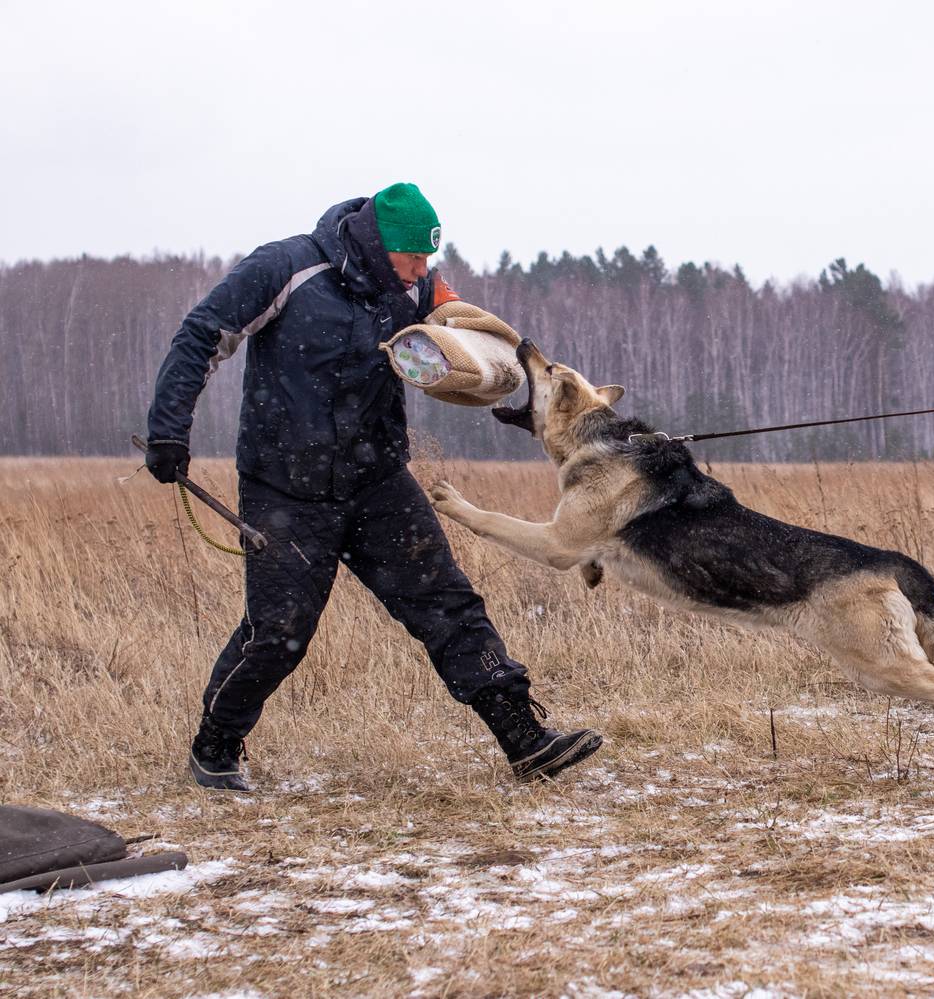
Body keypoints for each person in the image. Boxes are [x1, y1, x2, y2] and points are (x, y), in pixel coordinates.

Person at [144, 183, 602, 791]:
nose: (423, 270)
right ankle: (216, 746)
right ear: (379, 244)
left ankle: (524, 738)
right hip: (285, 487)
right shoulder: (287, 266)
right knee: (279, 632)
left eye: (429, 258)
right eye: (414, 257)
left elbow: (470, 336)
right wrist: (168, 429)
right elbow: (204, 332)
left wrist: (511, 383)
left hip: (377, 479)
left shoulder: (417, 287)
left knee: (448, 606)